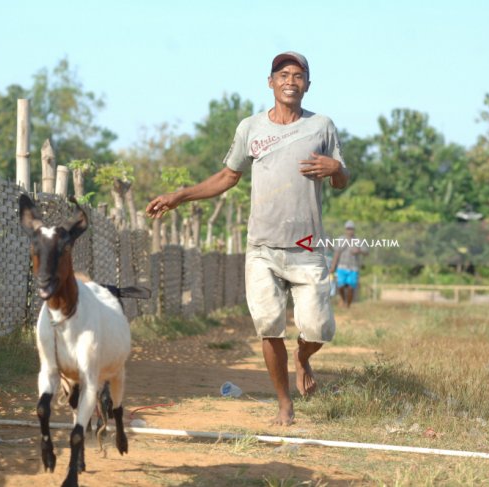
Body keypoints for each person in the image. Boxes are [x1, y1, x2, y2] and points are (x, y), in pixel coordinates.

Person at [146, 52, 349, 426]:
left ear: (307, 84)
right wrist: (180, 194)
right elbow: (227, 176)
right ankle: (284, 403)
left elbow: (340, 180)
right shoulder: (250, 128)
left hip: (307, 248)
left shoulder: (322, 126)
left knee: (320, 329)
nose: (291, 80)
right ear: (270, 82)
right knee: (269, 326)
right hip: (262, 249)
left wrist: (337, 169)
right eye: (283, 74)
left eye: (299, 75)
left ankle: (304, 358)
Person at [330, 220, 368, 308]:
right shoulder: (340, 239)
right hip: (341, 266)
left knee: (351, 287)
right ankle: (343, 299)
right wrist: (333, 267)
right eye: (348, 229)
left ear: (354, 230)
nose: (349, 231)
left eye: (351, 229)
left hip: (353, 268)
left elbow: (366, 252)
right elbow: (336, 253)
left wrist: (359, 250)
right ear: (345, 230)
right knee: (340, 286)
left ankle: (348, 304)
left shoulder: (358, 241)